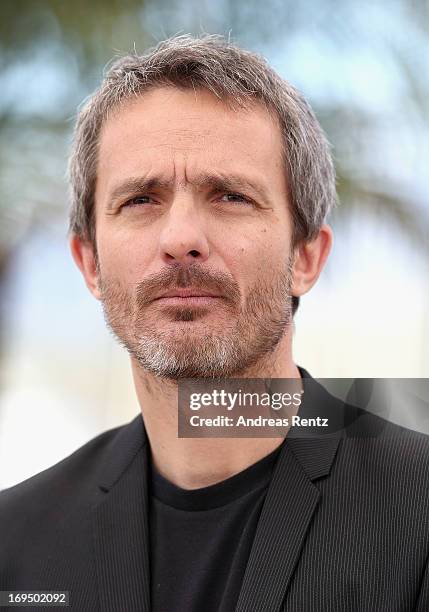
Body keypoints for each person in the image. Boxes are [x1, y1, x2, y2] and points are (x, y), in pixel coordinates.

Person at [0, 34, 428, 612]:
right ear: (90, 264)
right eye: (140, 200)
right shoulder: (17, 542)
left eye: (229, 196)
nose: (181, 240)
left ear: (305, 257)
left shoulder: (418, 510)